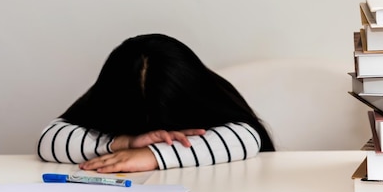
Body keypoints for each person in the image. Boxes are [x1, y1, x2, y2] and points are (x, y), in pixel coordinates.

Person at [37, 33, 275, 173]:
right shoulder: (105, 108)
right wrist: (125, 143)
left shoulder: (212, 103)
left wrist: (152, 155)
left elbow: (248, 137)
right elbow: (50, 139)